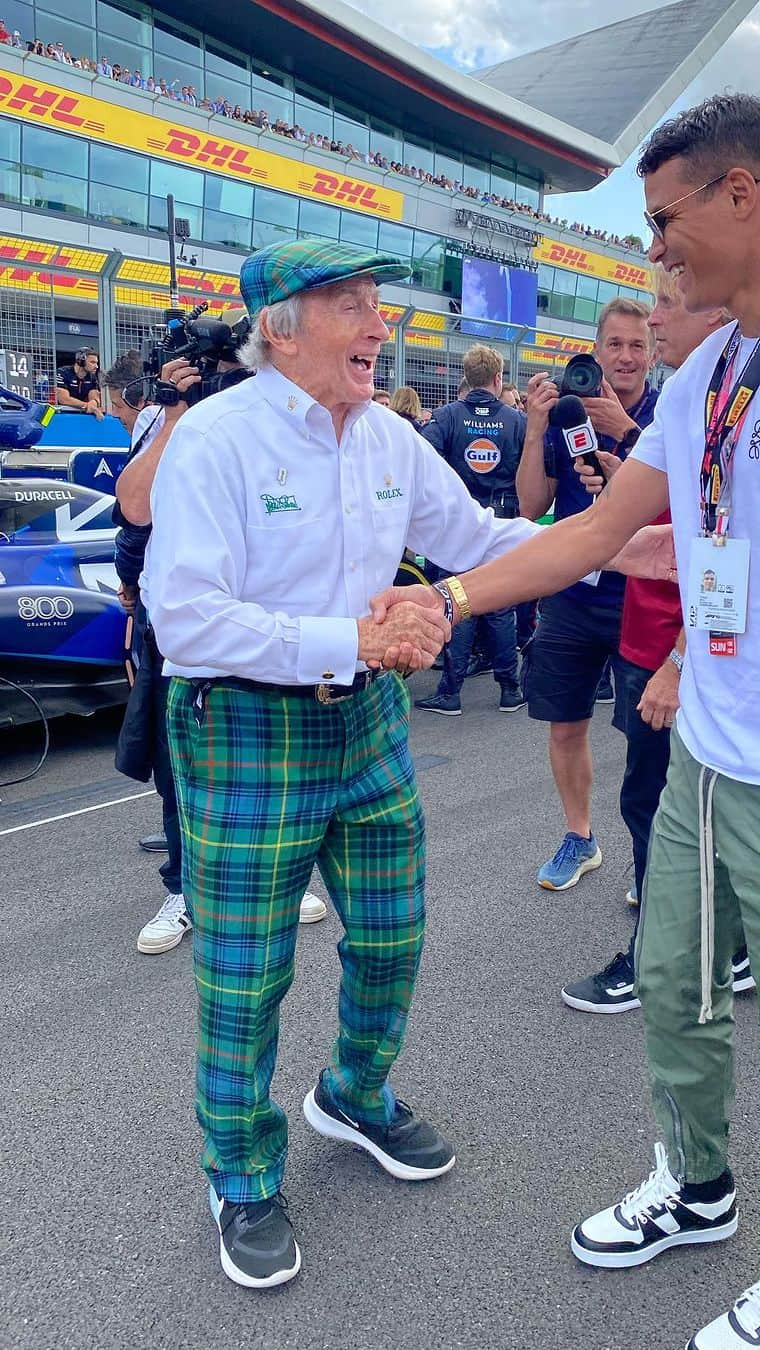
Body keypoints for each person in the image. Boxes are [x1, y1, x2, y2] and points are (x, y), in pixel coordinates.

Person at [372, 92, 760, 1350]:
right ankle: (699, 1189)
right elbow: (603, 534)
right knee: (677, 992)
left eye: (662, 221)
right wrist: (446, 593)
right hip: (713, 756)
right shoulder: (708, 367)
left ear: (741, 194)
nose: (652, 248)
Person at [144, 239, 666, 1290]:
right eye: (350, 306)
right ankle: (240, 1172)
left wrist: (616, 542)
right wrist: (354, 640)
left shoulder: (385, 436)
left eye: (379, 306)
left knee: (392, 937)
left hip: (371, 721)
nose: (379, 327)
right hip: (249, 725)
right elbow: (186, 622)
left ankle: (355, 1094)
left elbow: (476, 536)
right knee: (245, 977)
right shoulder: (218, 441)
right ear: (280, 328)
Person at [561, 265, 754, 1013]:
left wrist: (678, 664)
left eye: (668, 305)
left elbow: (727, 551)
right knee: (671, 808)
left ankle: (659, 959)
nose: (655, 325)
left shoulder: (719, 401)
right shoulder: (694, 397)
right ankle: (727, 948)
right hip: (648, 643)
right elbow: (617, 524)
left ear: (716, 313)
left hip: (676, 655)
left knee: (661, 811)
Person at [108, 345, 329, 954]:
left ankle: (280, 877)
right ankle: (181, 890)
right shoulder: (165, 417)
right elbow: (135, 505)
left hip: (266, 615)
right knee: (180, 769)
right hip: (182, 625)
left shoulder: (283, 412)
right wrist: (176, 411)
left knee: (274, 758)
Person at [516, 298, 658, 890]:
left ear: (652, 355)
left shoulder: (666, 414)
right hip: (573, 597)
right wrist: (536, 428)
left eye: (637, 346)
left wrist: (626, 434)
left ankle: (650, 860)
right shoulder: (567, 410)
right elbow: (530, 506)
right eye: (614, 346)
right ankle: (580, 837)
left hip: (643, 600)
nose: (624, 358)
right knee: (565, 724)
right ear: (595, 353)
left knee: (646, 740)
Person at [415, 344, 527, 715]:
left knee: (459, 601)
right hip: (502, 519)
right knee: (499, 604)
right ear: (498, 379)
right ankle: (510, 689)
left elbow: (424, 458)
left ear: (467, 378)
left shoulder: (447, 417)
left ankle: (450, 693)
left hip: (459, 524)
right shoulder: (515, 420)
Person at [55, 348, 104, 418]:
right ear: (81, 361)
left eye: (96, 363)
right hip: (61, 414)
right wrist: (87, 405)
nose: (96, 366)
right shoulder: (62, 372)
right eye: (92, 362)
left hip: (81, 414)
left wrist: (94, 403)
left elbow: (94, 397)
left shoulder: (92, 377)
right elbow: (63, 399)